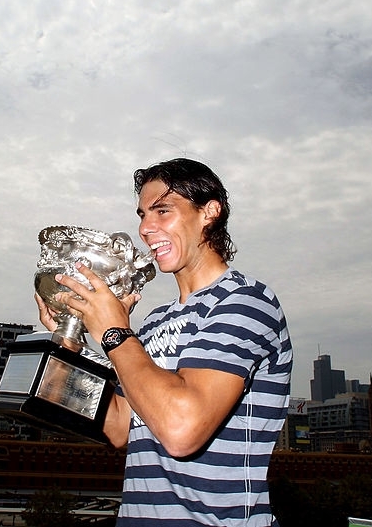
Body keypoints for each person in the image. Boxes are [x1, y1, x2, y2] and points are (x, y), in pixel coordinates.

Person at [36, 157, 293, 526]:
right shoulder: (157, 320)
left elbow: (180, 431)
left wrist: (114, 332)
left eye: (162, 211)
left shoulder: (245, 302)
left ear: (210, 212)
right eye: (142, 214)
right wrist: (70, 337)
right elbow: (120, 427)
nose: (145, 228)